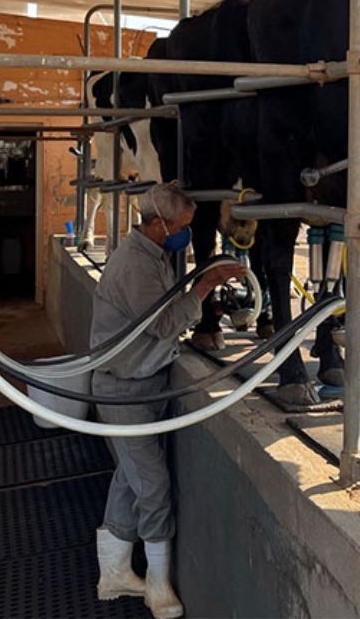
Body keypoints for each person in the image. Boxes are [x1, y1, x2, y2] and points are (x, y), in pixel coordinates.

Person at [90, 182, 245, 619]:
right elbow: (163, 324)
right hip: (123, 388)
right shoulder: (136, 267)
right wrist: (205, 286)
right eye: (181, 227)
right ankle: (158, 584)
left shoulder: (153, 254)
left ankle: (115, 572)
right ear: (159, 223)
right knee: (153, 485)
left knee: (131, 475)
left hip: (143, 381)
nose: (186, 235)